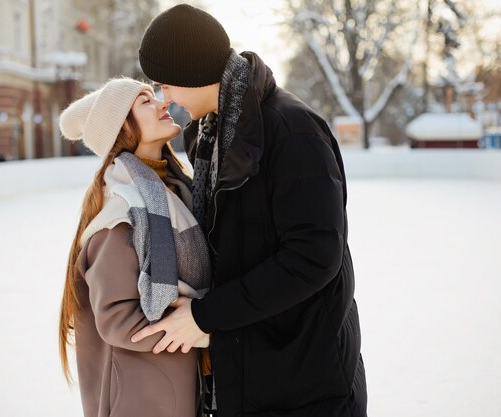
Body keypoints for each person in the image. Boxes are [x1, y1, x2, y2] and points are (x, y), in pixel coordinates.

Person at [131, 4, 367, 417]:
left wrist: (207, 316)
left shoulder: (292, 131)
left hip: (306, 384)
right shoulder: (207, 135)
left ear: (191, 71)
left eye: (166, 84)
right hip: (248, 377)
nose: (166, 98)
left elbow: (313, 258)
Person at [57, 77, 212, 417]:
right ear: (121, 127)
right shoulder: (121, 214)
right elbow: (119, 320)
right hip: (142, 400)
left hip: (178, 392)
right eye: (145, 101)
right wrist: (202, 328)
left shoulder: (176, 192)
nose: (162, 103)